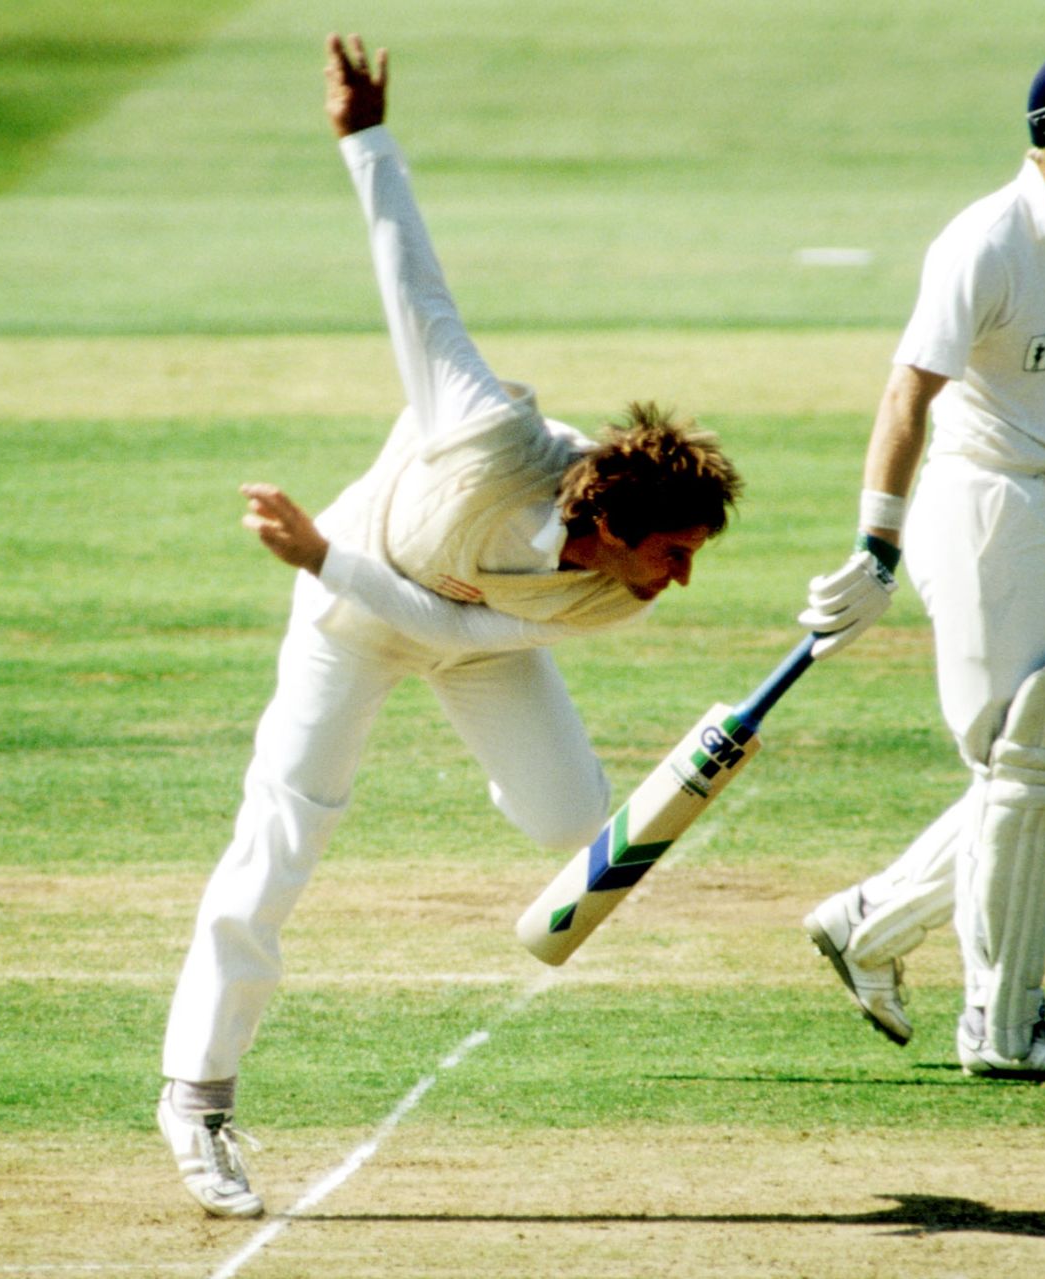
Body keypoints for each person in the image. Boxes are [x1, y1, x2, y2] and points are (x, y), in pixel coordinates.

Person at [155, 33, 743, 1218]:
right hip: (345, 617)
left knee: (577, 823)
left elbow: (468, 637)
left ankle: (517, 781)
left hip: (472, 639)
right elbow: (411, 285)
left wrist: (687, 769)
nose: (679, 582)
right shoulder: (480, 428)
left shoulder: (605, 593)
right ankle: (196, 1096)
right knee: (280, 843)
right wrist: (363, 137)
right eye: (673, 553)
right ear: (616, 519)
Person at [799, 50, 1045, 1080]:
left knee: (1033, 768)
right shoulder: (986, 241)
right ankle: (997, 1025)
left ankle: (867, 923)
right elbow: (906, 395)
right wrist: (875, 544)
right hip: (985, 499)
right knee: (1025, 754)